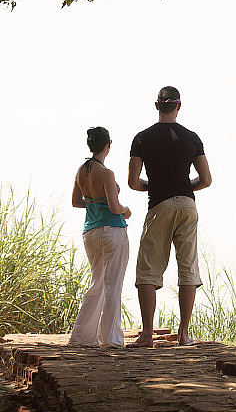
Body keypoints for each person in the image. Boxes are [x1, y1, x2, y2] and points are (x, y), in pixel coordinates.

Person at [127, 86, 212, 347]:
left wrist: (153, 186)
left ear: (156, 106)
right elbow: (206, 180)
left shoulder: (142, 138)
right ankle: (184, 334)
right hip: (188, 205)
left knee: (148, 271)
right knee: (188, 268)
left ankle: (147, 336)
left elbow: (132, 182)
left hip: (159, 206)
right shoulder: (192, 138)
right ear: (179, 106)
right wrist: (184, 187)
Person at [69, 126, 131, 348]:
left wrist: (95, 203)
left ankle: (82, 337)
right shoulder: (107, 173)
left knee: (96, 284)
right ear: (108, 145)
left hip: (90, 232)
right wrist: (126, 210)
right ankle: (111, 340)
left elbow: (77, 202)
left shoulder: (81, 171)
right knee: (113, 285)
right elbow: (115, 208)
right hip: (112, 231)